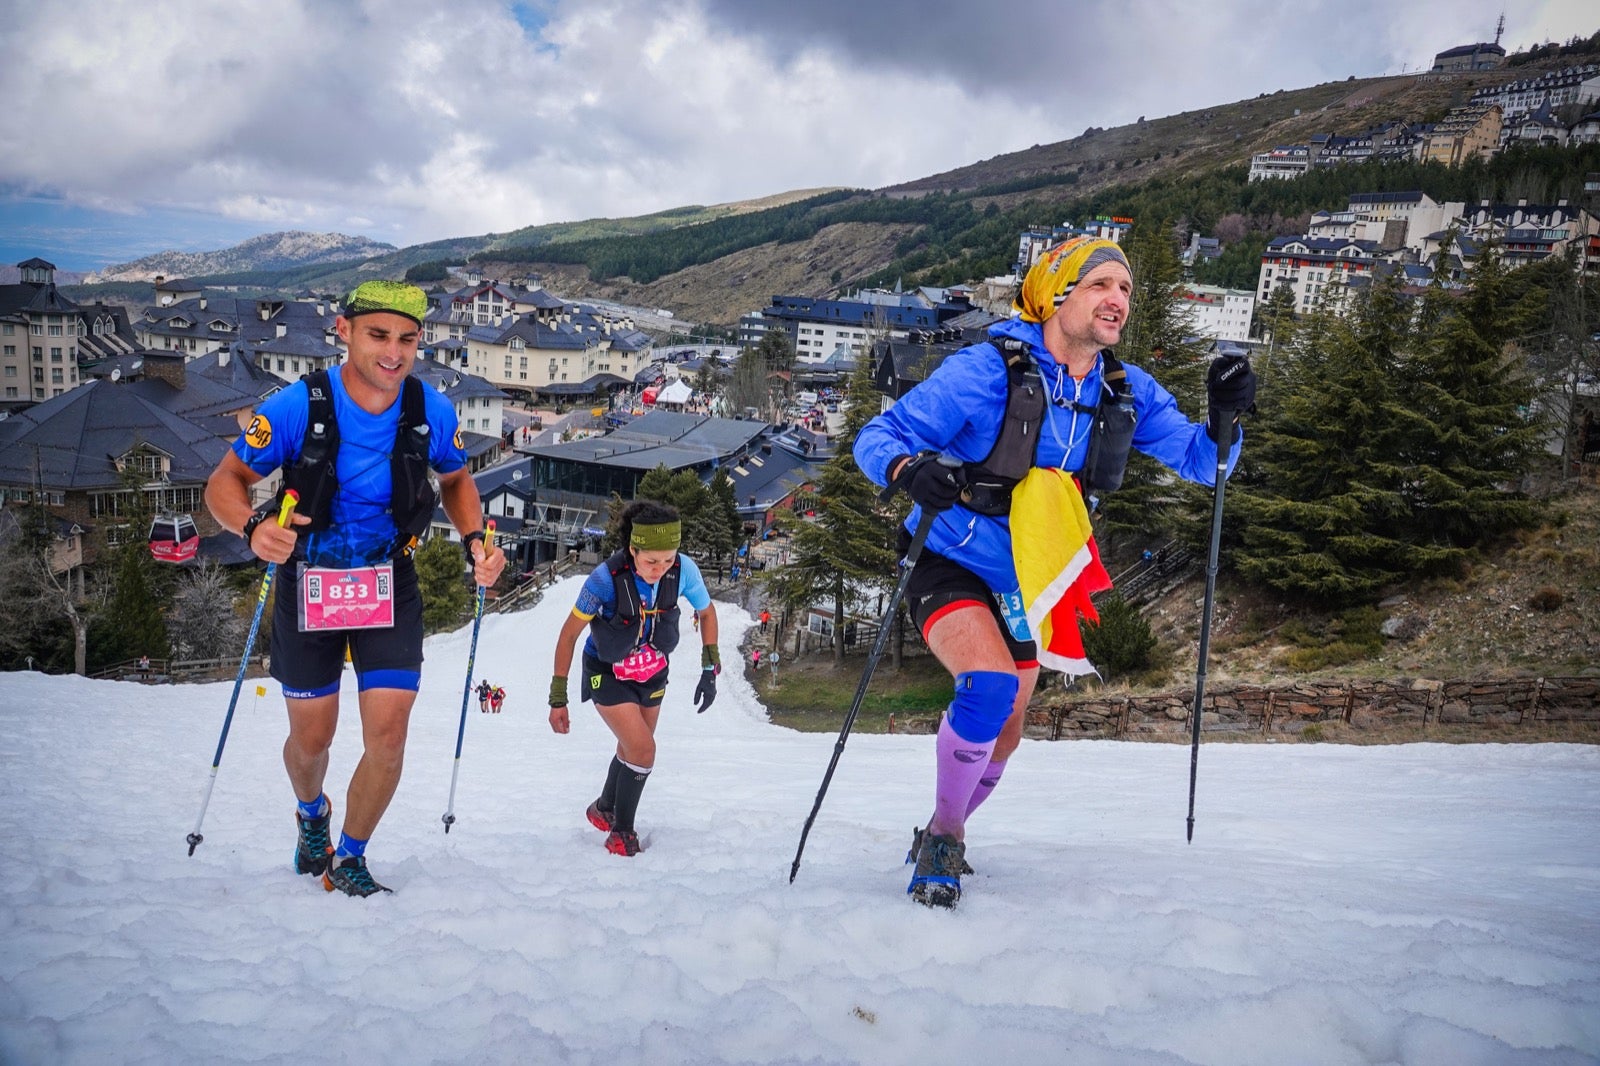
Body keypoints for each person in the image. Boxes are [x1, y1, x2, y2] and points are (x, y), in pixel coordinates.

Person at [853, 236, 1256, 909]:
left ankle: (939, 826)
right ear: (1058, 294)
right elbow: (880, 436)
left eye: (1125, 290)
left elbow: (1202, 462)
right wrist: (908, 470)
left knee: (1006, 733)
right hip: (949, 557)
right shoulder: (985, 371)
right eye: (1101, 285)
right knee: (984, 688)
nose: (1117, 300)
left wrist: (1225, 418)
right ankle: (945, 840)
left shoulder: (1122, 389)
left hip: (1033, 577)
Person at [204, 280, 506, 898]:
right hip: (309, 581)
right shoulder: (296, 405)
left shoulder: (431, 409)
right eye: (378, 335)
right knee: (312, 740)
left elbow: (456, 481)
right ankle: (312, 814)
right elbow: (225, 482)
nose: (393, 353)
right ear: (343, 331)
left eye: (407, 339)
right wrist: (254, 527)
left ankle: (351, 856)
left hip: (388, 580)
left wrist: (476, 540)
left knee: (389, 736)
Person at [547, 500, 720, 857]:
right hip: (606, 672)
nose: (660, 569)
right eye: (650, 561)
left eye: (668, 559)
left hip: (652, 673)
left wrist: (709, 668)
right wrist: (558, 697)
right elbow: (568, 634)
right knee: (643, 749)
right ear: (633, 549)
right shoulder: (605, 581)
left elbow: (706, 612)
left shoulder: (684, 570)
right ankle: (621, 833)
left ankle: (604, 807)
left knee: (632, 748)